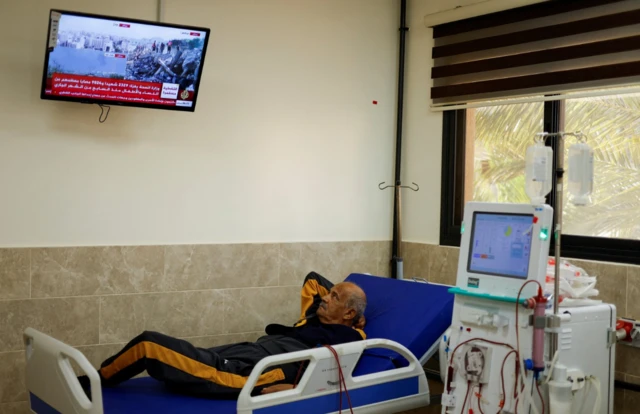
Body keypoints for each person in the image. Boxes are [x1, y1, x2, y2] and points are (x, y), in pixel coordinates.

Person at [80, 272, 367, 399]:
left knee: (150, 345)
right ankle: (94, 381)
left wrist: (294, 388)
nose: (325, 297)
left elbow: (331, 372)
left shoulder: (350, 337)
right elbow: (313, 279)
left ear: (349, 315)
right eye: (329, 293)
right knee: (185, 357)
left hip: (257, 371)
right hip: (251, 351)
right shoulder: (314, 315)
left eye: (334, 297)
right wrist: (344, 299)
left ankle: (92, 382)